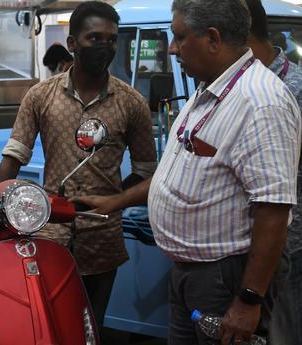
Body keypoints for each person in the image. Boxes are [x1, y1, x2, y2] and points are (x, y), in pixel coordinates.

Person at [73, 1, 301, 344]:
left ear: (212, 38)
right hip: (192, 274)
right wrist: (115, 201)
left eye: (180, 36)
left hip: (224, 278)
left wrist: (248, 300)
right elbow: (175, 170)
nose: (173, 48)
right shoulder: (210, 92)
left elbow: (273, 208)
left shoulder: (259, 101)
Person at [0, 1, 158, 329]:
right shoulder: (41, 97)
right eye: (95, 38)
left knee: (91, 324)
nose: (105, 47)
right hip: (50, 233)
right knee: (47, 324)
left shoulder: (131, 103)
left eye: (111, 39)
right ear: (72, 44)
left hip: (102, 239)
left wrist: (114, 200)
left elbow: (146, 171)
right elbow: (13, 160)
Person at [245, 1, 302, 344]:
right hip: (245, 242)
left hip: (290, 241)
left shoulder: (293, 88)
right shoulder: (232, 83)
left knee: (286, 331)